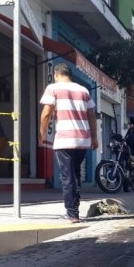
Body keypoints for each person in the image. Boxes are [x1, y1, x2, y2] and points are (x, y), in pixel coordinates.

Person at [39, 63, 98, 223]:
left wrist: (42, 133)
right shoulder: (84, 90)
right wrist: (94, 137)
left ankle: (72, 214)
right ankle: (74, 210)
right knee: (76, 175)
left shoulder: (53, 88)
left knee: (67, 177)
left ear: (57, 74)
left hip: (65, 140)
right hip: (82, 140)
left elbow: (46, 113)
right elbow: (92, 116)